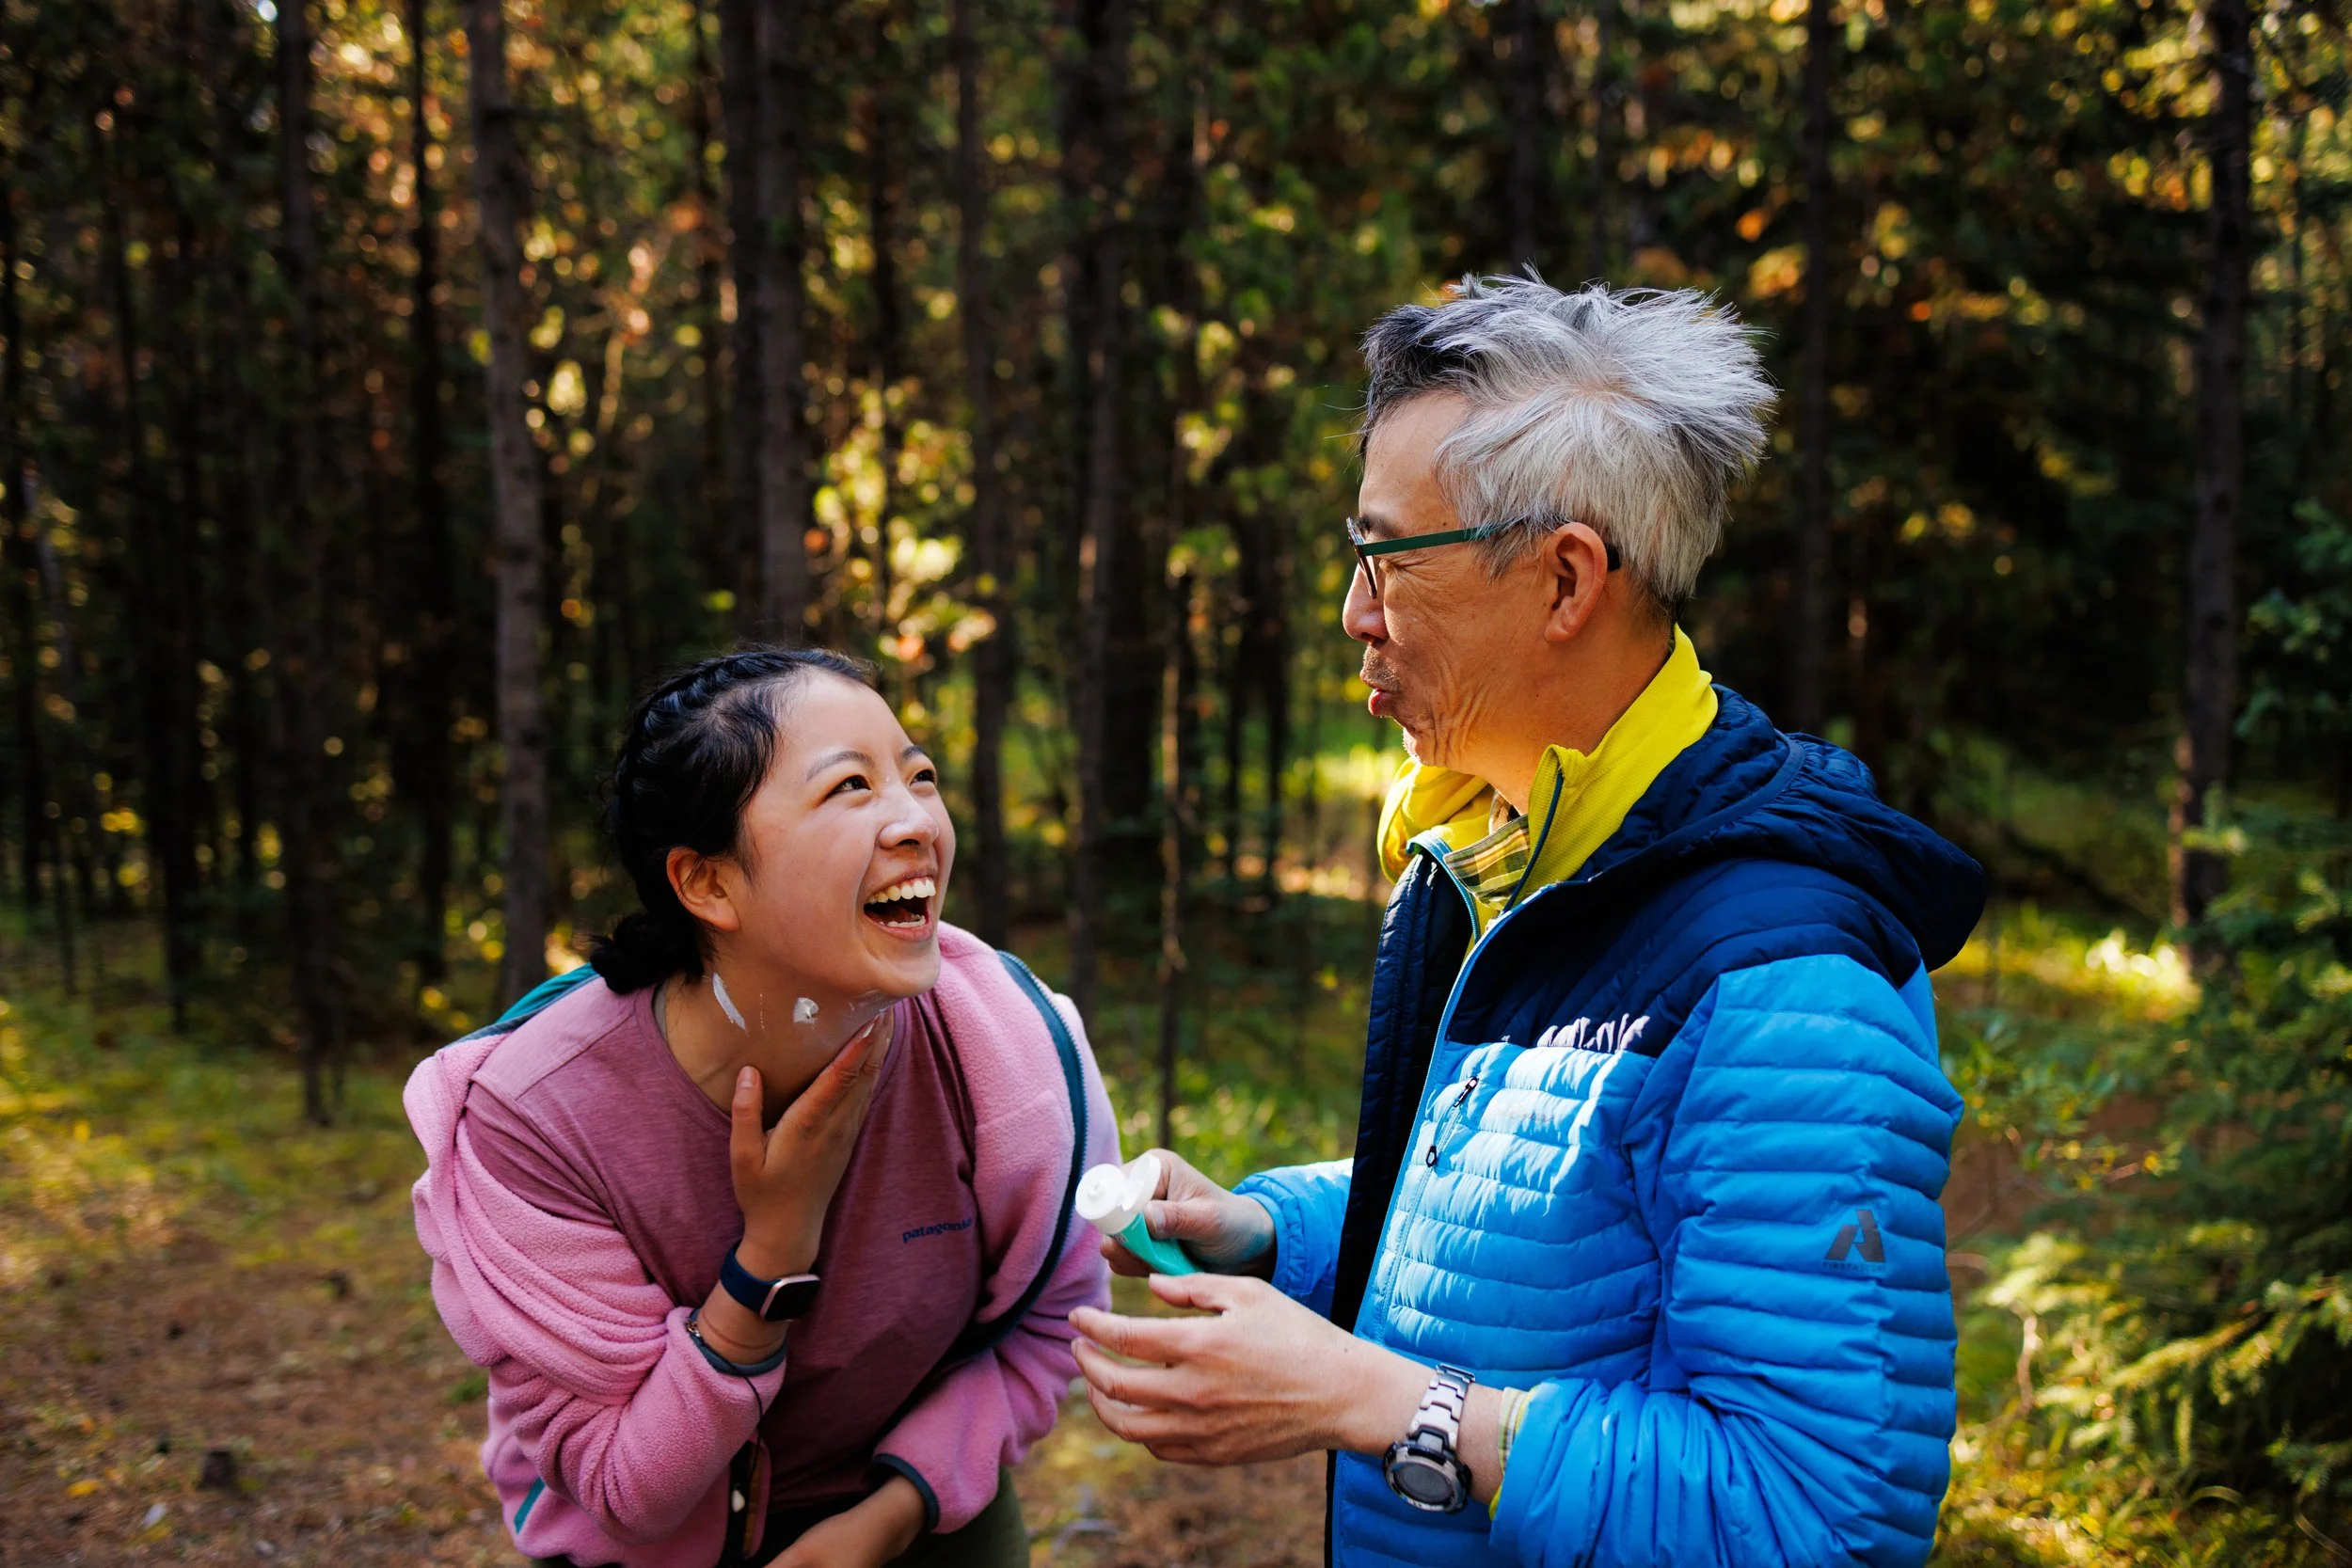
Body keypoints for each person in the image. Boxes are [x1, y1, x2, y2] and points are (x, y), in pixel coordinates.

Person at [1069, 278, 1984, 1568]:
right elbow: (1544, 1223)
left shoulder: (1786, 981)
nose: (1354, 611)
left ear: (1564, 579)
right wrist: (1273, 1228)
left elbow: (1817, 1508)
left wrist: (1380, 1400)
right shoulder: (1501, 848)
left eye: (1388, 556)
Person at [405, 647, 1116, 1568]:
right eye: (851, 786)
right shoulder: (536, 1118)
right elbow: (628, 1485)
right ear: (707, 882)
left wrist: (890, 1516)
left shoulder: (1011, 1044)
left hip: (924, 1500)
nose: (915, 820)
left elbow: (1052, 1319)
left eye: (920, 774)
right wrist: (771, 1255)